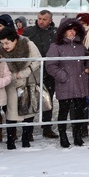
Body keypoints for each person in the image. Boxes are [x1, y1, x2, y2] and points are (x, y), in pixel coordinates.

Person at [45, 19, 89, 148]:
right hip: (65, 84)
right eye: (69, 29)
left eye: (74, 30)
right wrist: (63, 76)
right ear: (63, 31)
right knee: (63, 112)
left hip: (80, 83)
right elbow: (50, 65)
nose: (72, 32)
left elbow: (88, 57)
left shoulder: (80, 45)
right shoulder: (56, 46)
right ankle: (63, 136)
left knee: (79, 112)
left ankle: (77, 135)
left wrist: (87, 68)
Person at [0, 27, 42, 150]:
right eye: (2, 43)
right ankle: (11, 140)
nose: (4, 46)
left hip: (28, 81)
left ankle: (26, 139)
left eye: (7, 43)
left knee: (29, 111)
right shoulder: (1, 50)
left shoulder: (28, 44)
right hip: (11, 83)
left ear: (15, 40)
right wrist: (9, 76)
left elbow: (37, 61)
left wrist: (23, 73)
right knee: (11, 113)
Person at [22, 9, 59, 139]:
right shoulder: (29, 32)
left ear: (50, 20)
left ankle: (47, 127)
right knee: (30, 98)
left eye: (44, 19)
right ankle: (28, 130)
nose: (41, 22)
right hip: (33, 70)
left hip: (49, 71)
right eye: (39, 19)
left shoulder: (56, 33)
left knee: (48, 99)